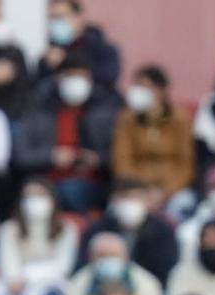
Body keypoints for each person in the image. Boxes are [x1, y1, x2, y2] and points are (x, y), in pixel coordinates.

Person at [13, 55, 120, 216]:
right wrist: (51, 157)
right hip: (46, 179)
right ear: (58, 78)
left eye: (81, 76)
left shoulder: (105, 110)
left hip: (93, 182)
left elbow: (120, 154)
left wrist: (97, 160)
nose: (76, 82)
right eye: (70, 76)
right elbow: (21, 155)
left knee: (71, 190)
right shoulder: (37, 108)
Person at [112, 66, 194, 205]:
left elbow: (185, 165)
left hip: (172, 190)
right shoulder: (126, 119)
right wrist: (137, 190)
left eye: (144, 86)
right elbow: (122, 161)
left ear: (159, 91)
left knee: (182, 205)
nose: (137, 91)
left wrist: (165, 192)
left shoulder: (180, 119)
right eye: (136, 85)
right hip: (135, 188)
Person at [39, 0, 123, 90]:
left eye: (60, 17)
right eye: (51, 18)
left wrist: (73, 68)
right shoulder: (49, 54)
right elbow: (38, 86)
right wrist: (47, 66)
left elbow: (109, 76)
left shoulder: (103, 49)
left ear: (78, 17)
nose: (55, 22)